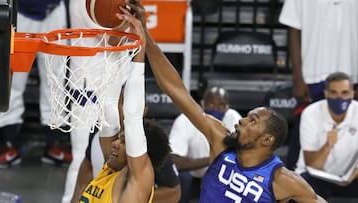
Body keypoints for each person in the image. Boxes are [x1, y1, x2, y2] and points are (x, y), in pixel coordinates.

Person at [130, 1, 327, 202]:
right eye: (247, 117)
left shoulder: (283, 180)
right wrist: (147, 37)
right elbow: (177, 91)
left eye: (253, 121)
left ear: (267, 140)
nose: (241, 121)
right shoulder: (220, 142)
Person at [70, 4, 171, 202]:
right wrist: (117, 47)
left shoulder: (137, 179)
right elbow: (108, 104)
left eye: (124, 141)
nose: (115, 142)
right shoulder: (110, 168)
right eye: (121, 139)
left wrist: (139, 51)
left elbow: (133, 119)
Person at [279, 0, 358, 170]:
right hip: (312, 76)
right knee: (305, 138)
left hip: (351, 75)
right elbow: (294, 30)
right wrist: (297, 77)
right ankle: (294, 192)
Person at [0, 0, 72, 168]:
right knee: (13, 80)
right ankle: (7, 143)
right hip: (21, 11)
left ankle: (53, 144)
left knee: (56, 81)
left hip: (54, 11)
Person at [169, 85, 241, 202]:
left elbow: (243, 154)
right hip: (193, 178)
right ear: (202, 103)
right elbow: (174, 161)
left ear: (227, 107)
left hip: (222, 177)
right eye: (211, 104)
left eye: (221, 105)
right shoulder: (185, 119)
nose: (216, 109)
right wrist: (213, 159)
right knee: (181, 177)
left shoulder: (234, 118)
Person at [294, 72, 358, 200]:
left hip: (348, 177)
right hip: (315, 174)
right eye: (334, 93)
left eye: (344, 93)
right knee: (304, 185)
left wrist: (354, 174)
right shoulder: (311, 113)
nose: (339, 98)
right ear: (326, 94)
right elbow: (312, 165)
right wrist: (327, 146)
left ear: (352, 94)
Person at [74, 130, 181, 203]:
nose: (114, 143)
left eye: (124, 142)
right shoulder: (107, 169)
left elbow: (174, 192)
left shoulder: (133, 186)